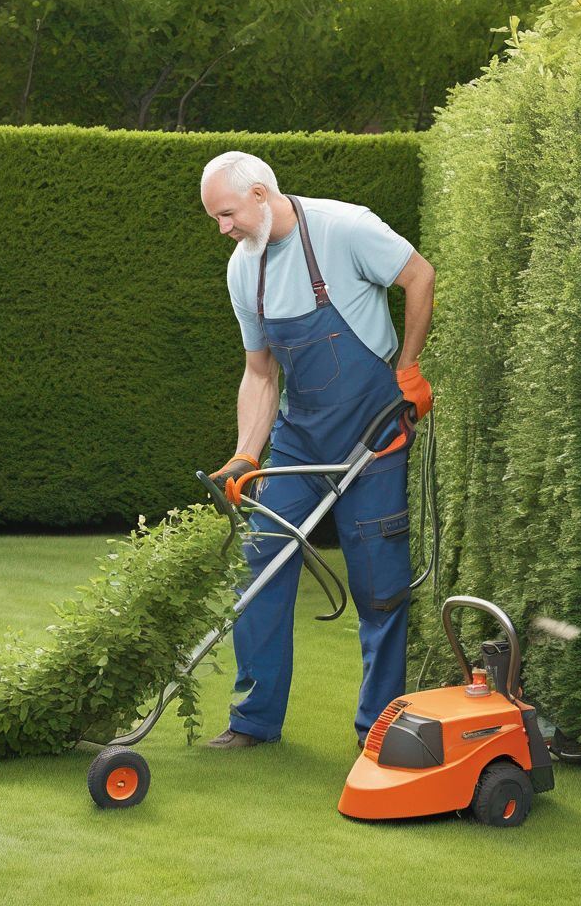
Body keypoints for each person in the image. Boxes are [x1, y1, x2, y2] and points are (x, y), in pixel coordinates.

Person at [200, 150, 435, 750]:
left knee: (379, 585)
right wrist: (245, 456)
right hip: (301, 441)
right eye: (215, 220)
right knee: (259, 565)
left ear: (258, 194)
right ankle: (254, 720)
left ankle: (379, 729)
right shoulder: (241, 271)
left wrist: (408, 367)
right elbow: (260, 374)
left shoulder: (343, 227)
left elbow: (419, 276)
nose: (222, 229)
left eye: (226, 214)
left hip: (374, 433)